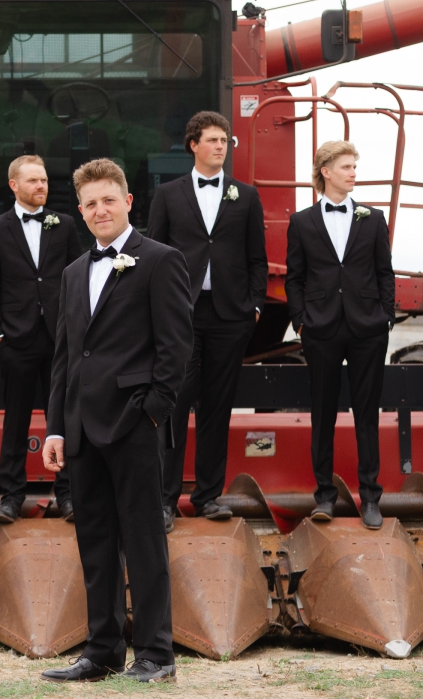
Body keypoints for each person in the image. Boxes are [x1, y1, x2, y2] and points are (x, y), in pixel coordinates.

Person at [41, 159, 191, 684]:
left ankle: (156, 654)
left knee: (145, 542)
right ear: (80, 213)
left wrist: (150, 413)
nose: (99, 210)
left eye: (108, 200)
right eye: (90, 204)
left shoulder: (161, 260)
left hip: (134, 427)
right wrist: (56, 427)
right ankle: (101, 651)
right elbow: (66, 356)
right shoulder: (72, 273)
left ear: (129, 202)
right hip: (81, 430)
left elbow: (175, 351)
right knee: (96, 544)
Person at [148, 111, 267, 531]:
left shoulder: (247, 196)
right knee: (173, 406)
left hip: (231, 315)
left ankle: (208, 497)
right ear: (193, 145)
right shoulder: (168, 195)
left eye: (225, 141)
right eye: (213, 140)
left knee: (218, 408)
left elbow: (257, 258)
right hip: (181, 313)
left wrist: (254, 306)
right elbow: (154, 254)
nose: (221, 146)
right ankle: (165, 500)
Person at [284, 141, 395, 531]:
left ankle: (370, 499)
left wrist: (386, 317)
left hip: (368, 329)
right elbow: (294, 278)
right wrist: (301, 321)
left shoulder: (373, 218)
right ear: (325, 171)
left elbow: (385, 272)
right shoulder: (301, 222)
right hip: (321, 329)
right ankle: (324, 498)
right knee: (323, 415)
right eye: (346, 166)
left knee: (367, 416)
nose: (353, 173)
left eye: (354, 166)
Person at [0, 155, 80, 523]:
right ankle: (11, 497)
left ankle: (67, 495)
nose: (42, 186)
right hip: (16, 341)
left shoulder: (65, 224)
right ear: (14, 185)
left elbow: (78, 280)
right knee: (15, 420)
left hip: (59, 339)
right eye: (34, 180)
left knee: (65, 419)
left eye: (45, 180)